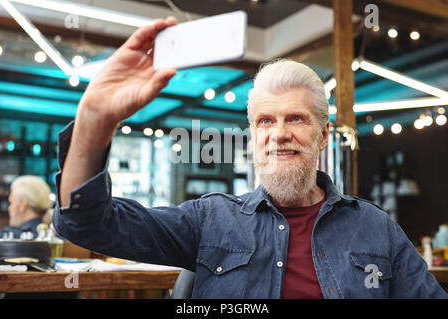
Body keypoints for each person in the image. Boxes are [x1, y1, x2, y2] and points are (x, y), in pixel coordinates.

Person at [52, 17, 447, 299]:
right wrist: (93, 121)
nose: (278, 133)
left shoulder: (377, 229)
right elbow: (86, 224)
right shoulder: (207, 221)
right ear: (253, 135)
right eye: (265, 121)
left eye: (296, 118)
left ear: (323, 134)